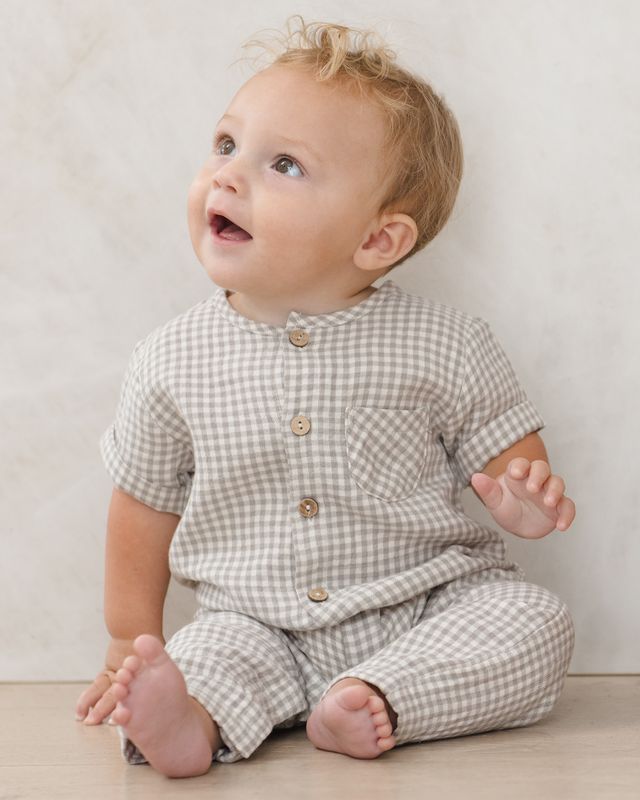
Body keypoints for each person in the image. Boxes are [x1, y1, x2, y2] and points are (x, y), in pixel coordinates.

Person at [75, 16, 576, 778]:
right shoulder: (170, 360)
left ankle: (377, 695)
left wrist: (525, 505)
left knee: (535, 621)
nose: (227, 176)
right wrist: (125, 639)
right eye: (225, 144)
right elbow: (143, 506)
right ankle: (187, 724)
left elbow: (513, 464)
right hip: (255, 623)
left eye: (284, 164)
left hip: (427, 607)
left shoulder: (447, 343)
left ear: (378, 240)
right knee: (201, 657)